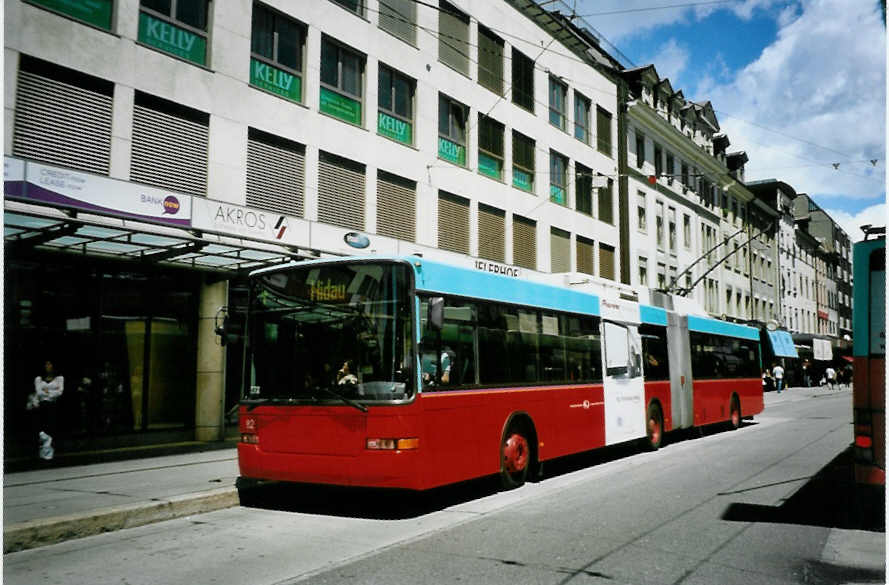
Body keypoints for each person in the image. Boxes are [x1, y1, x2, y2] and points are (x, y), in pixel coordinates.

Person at [27, 360, 64, 460]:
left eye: (50, 364)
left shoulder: (59, 378)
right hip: (42, 405)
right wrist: (51, 392)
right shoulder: (38, 379)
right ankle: (43, 451)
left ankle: (49, 454)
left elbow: (60, 392)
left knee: (51, 428)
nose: (48, 366)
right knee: (42, 430)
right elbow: (39, 392)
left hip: (53, 405)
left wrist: (47, 392)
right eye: (46, 364)